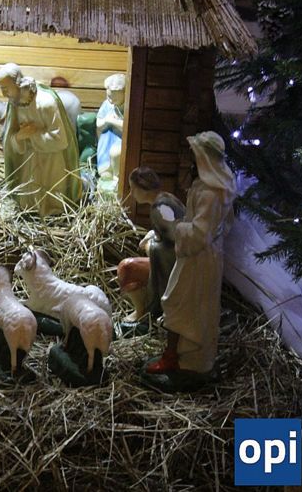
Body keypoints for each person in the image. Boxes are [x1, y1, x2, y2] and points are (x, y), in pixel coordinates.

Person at [146, 131, 236, 375]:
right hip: (201, 255)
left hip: (199, 259)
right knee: (183, 304)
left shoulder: (211, 193)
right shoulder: (215, 185)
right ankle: (178, 355)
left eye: (195, 155)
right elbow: (225, 224)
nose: (191, 160)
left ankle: (184, 359)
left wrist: (175, 226)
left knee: (183, 305)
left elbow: (200, 234)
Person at [0, 64, 81, 216]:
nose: (3, 94)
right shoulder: (14, 103)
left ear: (17, 83)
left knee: (52, 205)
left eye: (5, 88)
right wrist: (20, 136)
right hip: (29, 162)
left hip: (51, 163)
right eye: (1, 89)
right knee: (28, 204)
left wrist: (33, 135)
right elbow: (11, 137)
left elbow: (61, 140)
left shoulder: (46, 103)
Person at [126, 166, 186, 322]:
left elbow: (178, 242)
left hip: (178, 270)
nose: (131, 193)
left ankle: (144, 312)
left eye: (133, 188)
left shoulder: (161, 208)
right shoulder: (166, 199)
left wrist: (150, 246)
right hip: (178, 264)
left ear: (143, 187)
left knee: (126, 269)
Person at [95, 73, 126, 192]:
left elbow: (128, 128)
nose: (111, 101)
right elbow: (98, 123)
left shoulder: (129, 107)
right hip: (107, 138)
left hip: (122, 139)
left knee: (116, 153)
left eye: (115, 98)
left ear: (125, 94)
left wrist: (112, 121)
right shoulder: (107, 104)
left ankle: (117, 178)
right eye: (109, 97)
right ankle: (108, 172)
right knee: (104, 173)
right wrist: (106, 121)